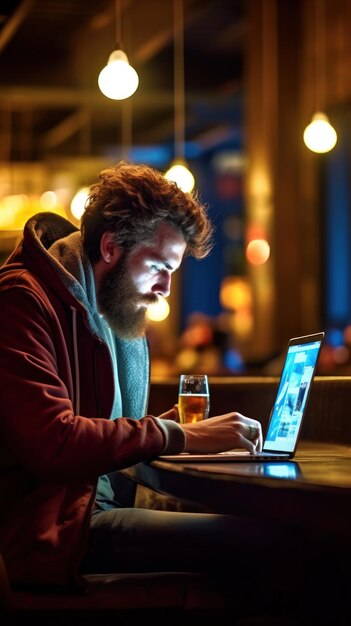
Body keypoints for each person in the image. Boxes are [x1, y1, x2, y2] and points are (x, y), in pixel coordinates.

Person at [0, 161, 282, 608]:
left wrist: (170, 429)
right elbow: (53, 441)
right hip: (52, 532)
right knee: (259, 541)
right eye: (157, 265)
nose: (167, 287)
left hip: (90, 511)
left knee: (262, 534)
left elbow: (97, 426)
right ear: (110, 247)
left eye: (173, 270)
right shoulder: (23, 301)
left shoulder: (106, 312)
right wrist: (177, 434)